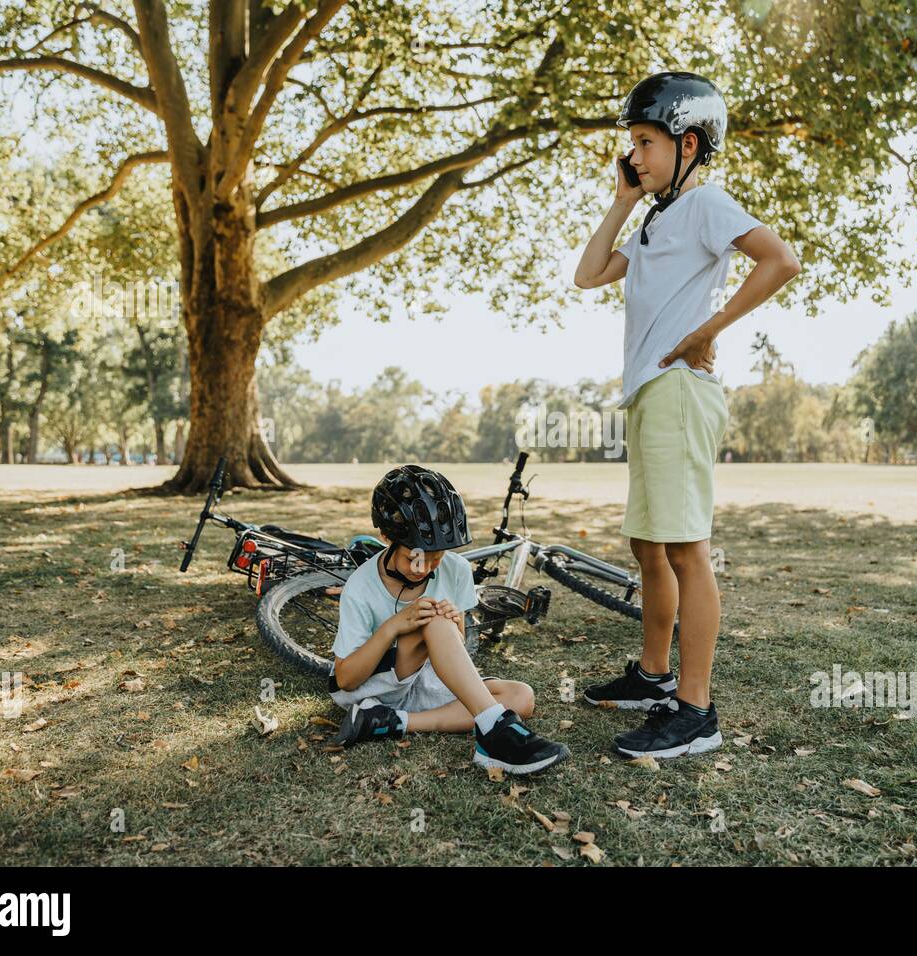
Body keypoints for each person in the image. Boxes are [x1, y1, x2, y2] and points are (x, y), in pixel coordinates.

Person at [572, 71, 801, 759]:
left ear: (689, 142)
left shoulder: (704, 205)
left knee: (683, 550)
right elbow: (587, 274)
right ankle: (652, 677)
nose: (634, 155)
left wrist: (711, 330)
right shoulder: (654, 220)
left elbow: (780, 260)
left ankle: (695, 712)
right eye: (631, 144)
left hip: (678, 391)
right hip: (650, 393)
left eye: (645, 142)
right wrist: (622, 201)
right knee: (650, 547)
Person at [329, 465, 569, 775]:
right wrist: (395, 626)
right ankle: (494, 732)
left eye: (435, 556)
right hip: (373, 688)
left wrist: (456, 627)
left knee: (521, 696)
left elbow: (459, 651)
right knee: (433, 621)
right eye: (413, 556)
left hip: (423, 680)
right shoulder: (361, 586)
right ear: (386, 536)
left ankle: (389, 723)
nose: (424, 567)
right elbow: (345, 679)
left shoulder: (455, 570)